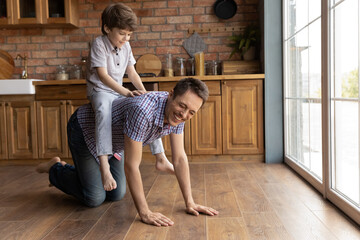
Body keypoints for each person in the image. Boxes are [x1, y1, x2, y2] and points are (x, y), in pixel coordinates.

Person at [36, 78, 219, 227]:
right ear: (171, 95)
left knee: (115, 194)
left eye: (191, 112)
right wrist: (144, 212)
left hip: (114, 144)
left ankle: (85, 174)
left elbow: (179, 158)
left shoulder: (181, 114)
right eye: (182, 106)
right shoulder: (142, 111)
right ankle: (55, 169)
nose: (184, 114)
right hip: (85, 131)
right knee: (94, 197)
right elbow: (132, 166)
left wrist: (190, 202)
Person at [86, 3, 172, 192]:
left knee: (146, 106)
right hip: (100, 91)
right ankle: (105, 167)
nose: (126, 38)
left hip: (117, 91)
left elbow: (132, 73)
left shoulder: (126, 46)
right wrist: (126, 92)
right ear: (107, 28)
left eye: (129, 34)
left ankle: (160, 156)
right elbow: (103, 76)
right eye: (122, 33)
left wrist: (144, 94)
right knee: (103, 111)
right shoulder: (99, 44)